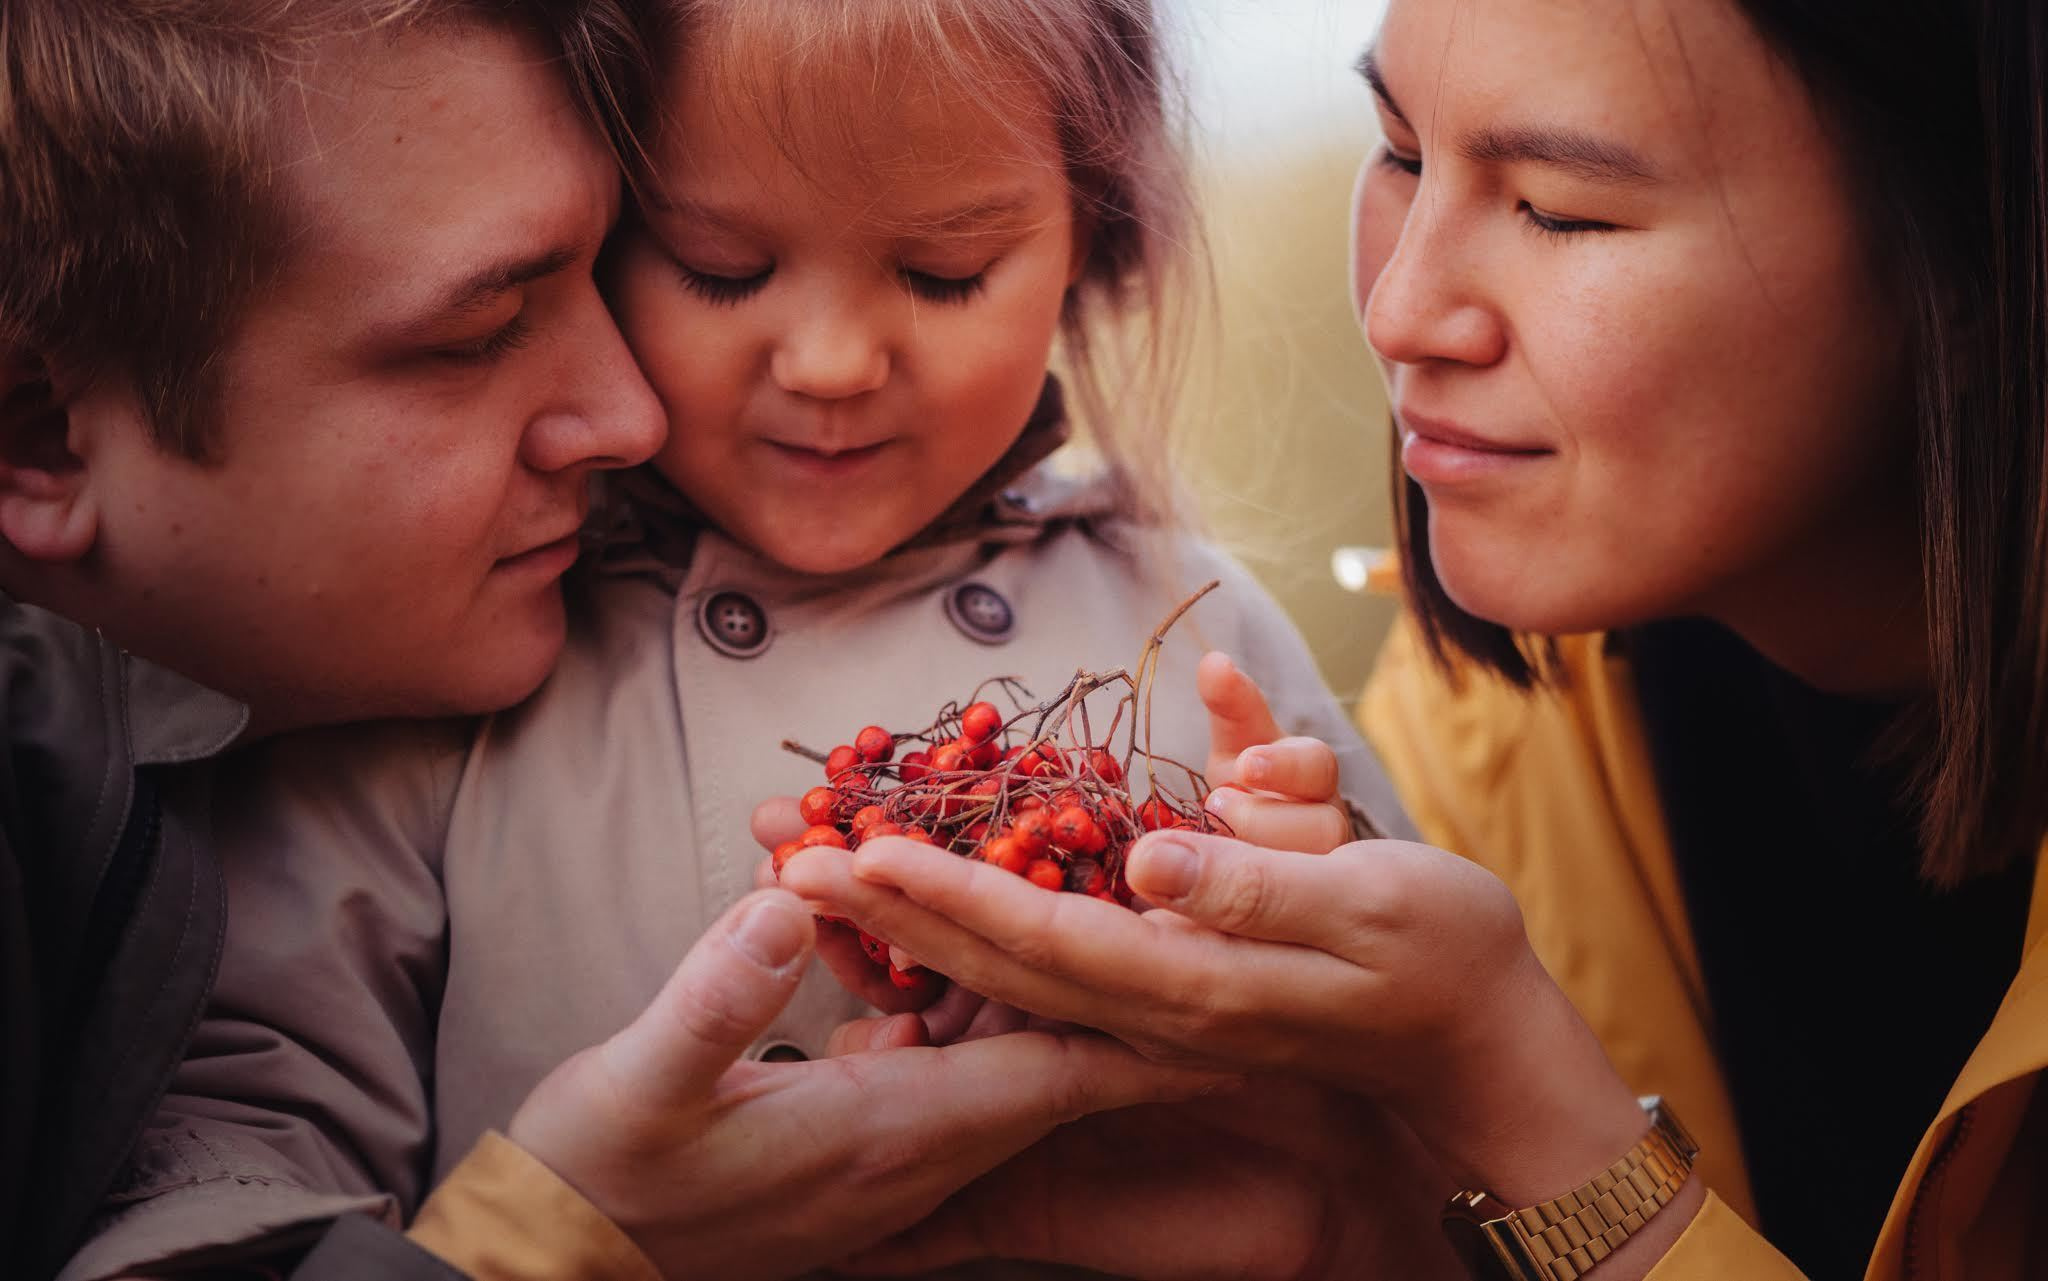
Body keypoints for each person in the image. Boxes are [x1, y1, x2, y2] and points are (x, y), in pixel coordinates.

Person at [61, 0, 1411, 1277]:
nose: (829, 362)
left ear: (1089, 248)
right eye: (721, 269)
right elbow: (229, 1169)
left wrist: (1320, 915)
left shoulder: (1195, 626)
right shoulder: (431, 658)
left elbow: (1439, 1124)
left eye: (942, 274)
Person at [778, 0, 2048, 1278]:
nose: (1396, 311)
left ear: (1979, 257)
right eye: (1396, 152)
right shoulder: (1470, 753)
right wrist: (1370, 1219)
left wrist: (1518, 1102)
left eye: (1558, 210)